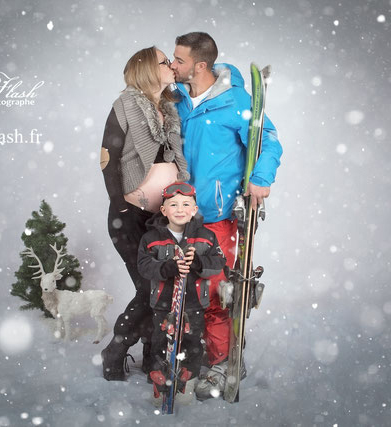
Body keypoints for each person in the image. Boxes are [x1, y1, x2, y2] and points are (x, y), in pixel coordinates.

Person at [169, 32, 283, 399]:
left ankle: (223, 361)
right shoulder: (178, 98)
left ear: (201, 65)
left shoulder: (234, 100)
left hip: (217, 212)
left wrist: (261, 178)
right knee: (180, 288)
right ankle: (193, 353)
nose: (173, 65)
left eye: (180, 60)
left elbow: (268, 138)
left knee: (216, 290)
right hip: (177, 211)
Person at [99, 46, 189, 381]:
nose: (171, 65)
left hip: (160, 219)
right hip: (130, 216)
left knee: (161, 287)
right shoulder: (125, 105)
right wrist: (120, 203)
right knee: (152, 287)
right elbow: (109, 157)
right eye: (165, 62)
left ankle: (153, 358)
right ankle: (116, 351)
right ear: (149, 70)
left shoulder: (168, 107)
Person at [136, 182, 226, 403]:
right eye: (173, 204)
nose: (180, 209)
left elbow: (219, 262)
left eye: (186, 204)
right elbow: (143, 265)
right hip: (163, 302)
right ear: (164, 210)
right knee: (160, 340)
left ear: (194, 210)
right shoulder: (151, 238)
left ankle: (187, 378)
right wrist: (166, 268)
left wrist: (198, 262)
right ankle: (160, 378)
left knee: (192, 341)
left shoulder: (206, 237)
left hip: (194, 303)